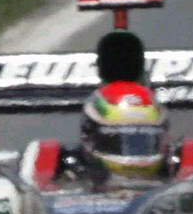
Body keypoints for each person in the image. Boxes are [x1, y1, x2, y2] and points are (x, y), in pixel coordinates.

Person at [22, 80, 170, 188]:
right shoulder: (66, 166)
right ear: (90, 137)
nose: (134, 152)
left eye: (143, 140)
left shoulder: (174, 164)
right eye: (115, 141)